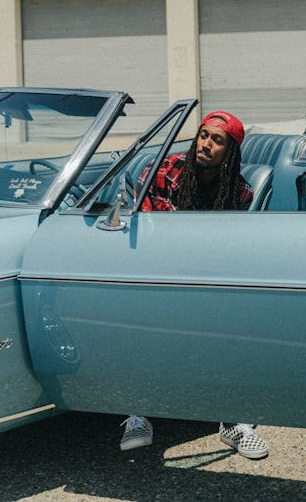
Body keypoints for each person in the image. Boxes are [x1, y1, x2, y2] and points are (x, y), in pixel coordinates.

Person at [119, 110, 270, 460]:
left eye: (217, 141)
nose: (206, 144)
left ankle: (234, 421)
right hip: (156, 274)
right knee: (133, 317)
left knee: (235, 322)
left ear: (229, 152)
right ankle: (137, 414)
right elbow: (143, 234)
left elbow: (232, 251)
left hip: (206, 280)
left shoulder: (240, 192)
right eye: (203, 135)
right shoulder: (159, 171)